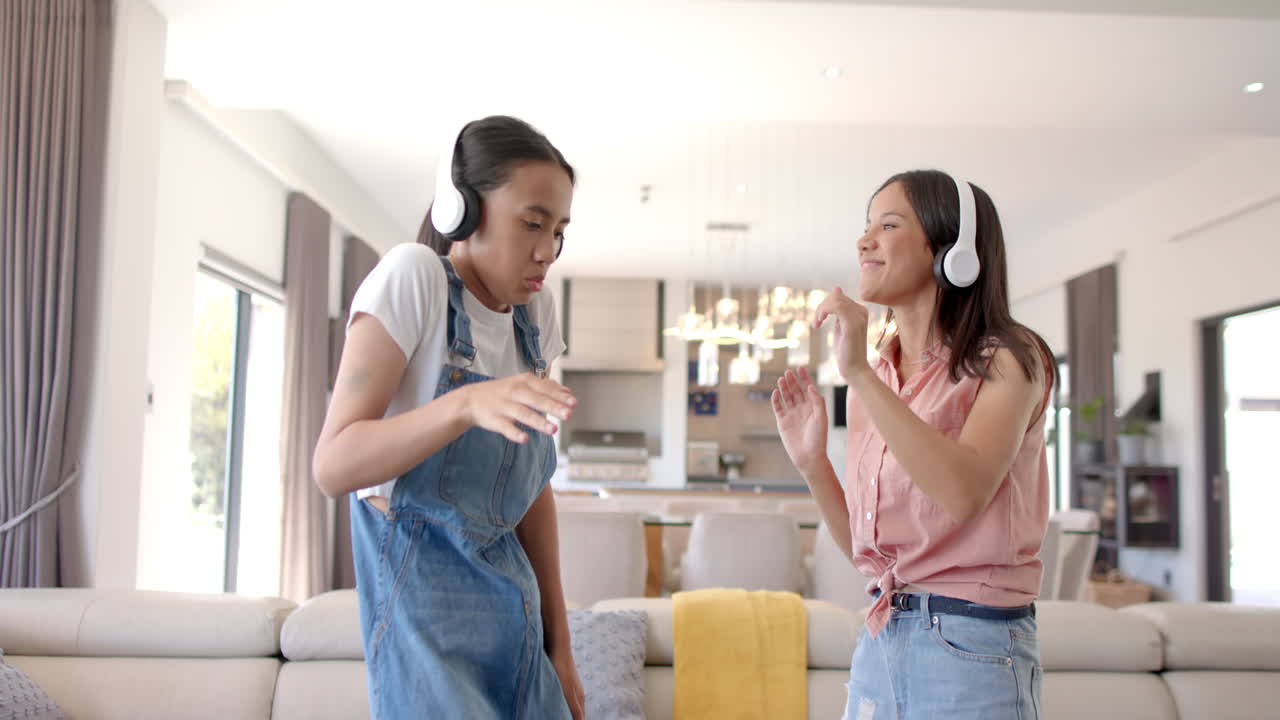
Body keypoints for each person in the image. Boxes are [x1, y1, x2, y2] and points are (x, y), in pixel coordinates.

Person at [312, 115, 584, 720]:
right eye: (532, 223)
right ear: (460, 212)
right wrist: (463, 404)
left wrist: (560, 649)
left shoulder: (535, 317)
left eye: (559, 230)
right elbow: (333, 466)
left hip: (519, 627)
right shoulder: (414, 279)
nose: (547, 251)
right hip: (426, 637)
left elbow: (533, 495)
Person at [771, 169, 1055, 719]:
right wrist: (812, 464)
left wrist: (858, 374)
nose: (864, 240)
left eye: (889, 224)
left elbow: (965, 490)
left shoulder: (1009, 358)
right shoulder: (879, 374)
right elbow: (865, 548)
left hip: (972, 642)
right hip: (882, 632)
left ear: (955, 251)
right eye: (865, 226)